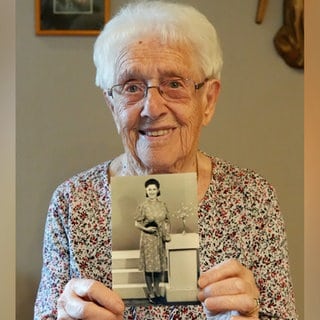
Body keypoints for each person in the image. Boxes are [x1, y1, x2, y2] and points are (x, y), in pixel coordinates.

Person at [34, 1, 297, 319]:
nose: (152, 108)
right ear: (111, 105)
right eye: (131, 87)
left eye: (174, 84)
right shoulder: (72, 202)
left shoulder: (253, 198)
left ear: (208, 100)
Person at [134, 178, 170, 304]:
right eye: (149, 189)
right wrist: (146, 229)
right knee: (149, 268)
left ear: (158, 190)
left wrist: (166, 233)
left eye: (154, 189)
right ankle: (150, 293)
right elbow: (136, 223)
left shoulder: (163, 205)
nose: (152, 191)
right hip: (148, 239)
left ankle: (158, 291)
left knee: (159, 267)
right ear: (146, 190)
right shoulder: (143, 206)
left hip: (160, 239)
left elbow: (166, 220)